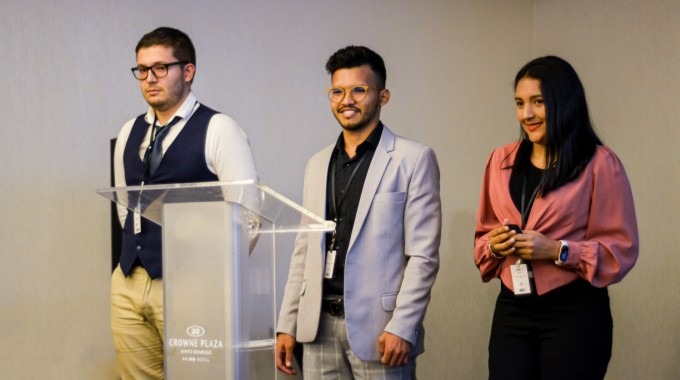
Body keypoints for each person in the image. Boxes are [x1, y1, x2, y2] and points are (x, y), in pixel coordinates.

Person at [275, 45, 441, 379]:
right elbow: (303, 249)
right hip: (318, 327)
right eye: (337, 91)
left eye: (359, 90)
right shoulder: (317, 163)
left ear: (383, 96)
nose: (346, 100)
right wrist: (287, 323)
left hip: (381, 331)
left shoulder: (413, 159)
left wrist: (404, 326)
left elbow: (423, 256)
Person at [474, 56, 639, 380]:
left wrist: (557, 250)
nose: (527, 114)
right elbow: (482, 238)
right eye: (520, 103)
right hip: (512, 308)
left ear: (563, 102)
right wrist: (493, 246)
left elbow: (620, 250)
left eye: (538, 102)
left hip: (574, 313)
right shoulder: (500, 160)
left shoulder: (600, 164)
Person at [111, 27, 258, 379]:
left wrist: (208, 278)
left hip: (192, 285)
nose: (149, 78)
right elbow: (124, 208)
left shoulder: (219, 128)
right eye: (142, 70)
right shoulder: (129, 131)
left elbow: (248, 219)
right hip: (129, 279)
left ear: (188, 71)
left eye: (161, 68)